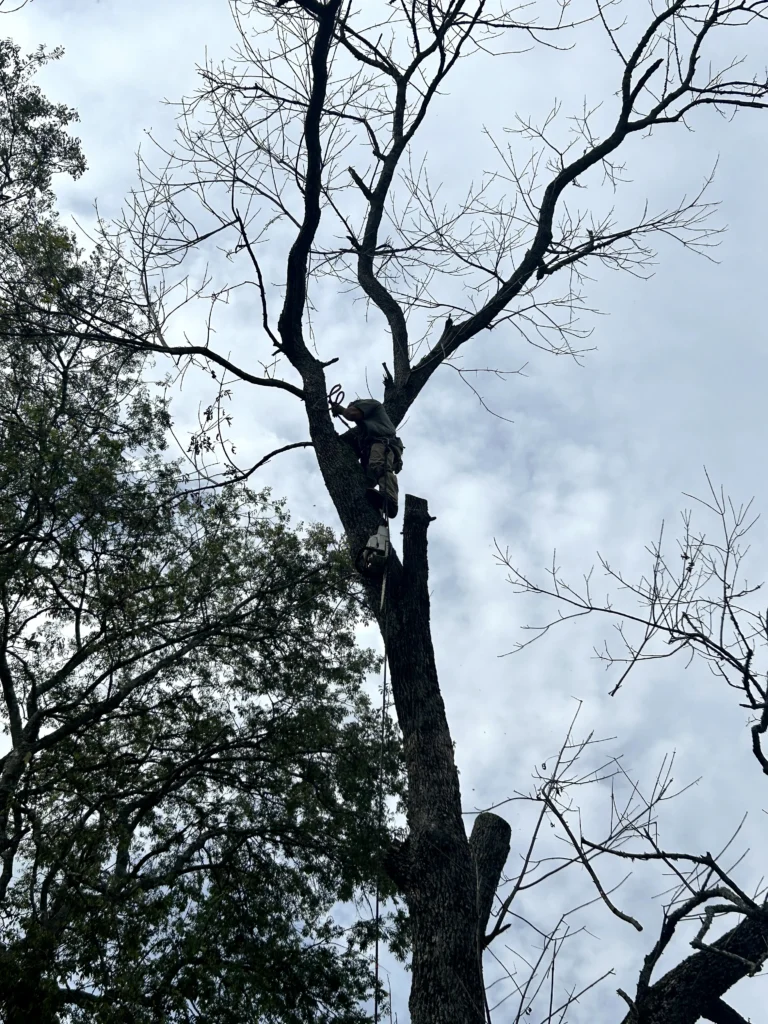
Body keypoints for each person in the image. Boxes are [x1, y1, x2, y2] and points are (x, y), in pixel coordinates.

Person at [330, 396, 404, 518]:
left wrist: (340, 409)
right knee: (366, 485)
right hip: (372, 453)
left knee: (379, 466)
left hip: (383, 444)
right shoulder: (365, 429)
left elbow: (351, 414)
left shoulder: (372, 405)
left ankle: (390, 501)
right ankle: (377, 513)